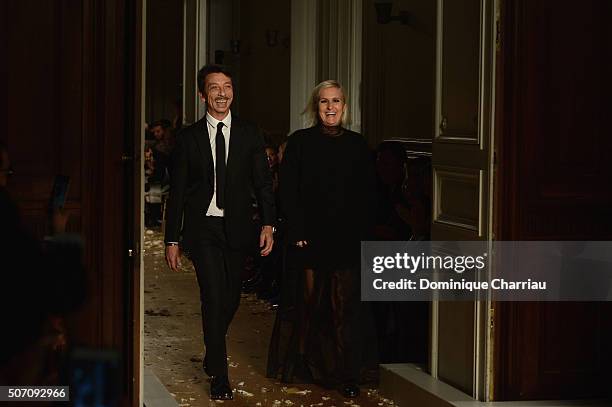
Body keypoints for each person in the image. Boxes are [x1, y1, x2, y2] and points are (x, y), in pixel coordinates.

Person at [164, 64, 276, 400]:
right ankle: (220, 375)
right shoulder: (188, 138)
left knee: (230, 300)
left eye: (227, 86)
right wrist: (172, 238)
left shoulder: (250, 133)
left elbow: (263, 183)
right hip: (203, 229)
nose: (221, 93)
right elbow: (178, 192)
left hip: (239, 226)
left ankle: (211, 351)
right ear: (202, 95)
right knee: (213, 296)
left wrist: (269, 223)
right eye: (214, 87)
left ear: (233, 92)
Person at [268, 80, 377, 398]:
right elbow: (288, 191)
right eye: (324, 101)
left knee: (343, 306)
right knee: (308, 303)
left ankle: (347, 373)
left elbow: (367, 195)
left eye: (336, 101)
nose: (330, 107)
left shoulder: (358, 145)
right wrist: (297, 232)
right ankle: (301, 364)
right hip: (310, 237)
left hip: (346, 237)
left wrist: (361, 236)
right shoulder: (300, 142)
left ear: (345, 106)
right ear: (315, 107)